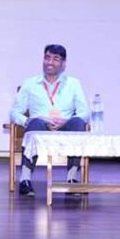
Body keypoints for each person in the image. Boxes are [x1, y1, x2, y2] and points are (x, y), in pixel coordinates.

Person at [10, 44, 90, 197]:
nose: (50, 62)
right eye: (47, 58)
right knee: (34, 123)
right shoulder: (30, 83)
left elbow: (85, 112)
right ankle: (25, 180)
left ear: (63, 63)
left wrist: (66, 120)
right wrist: (27, 121)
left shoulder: (73, 83)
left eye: (55, 59)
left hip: (65, 126)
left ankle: (72, 179)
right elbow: (14, 112)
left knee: (78, 122)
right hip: (40, 127)